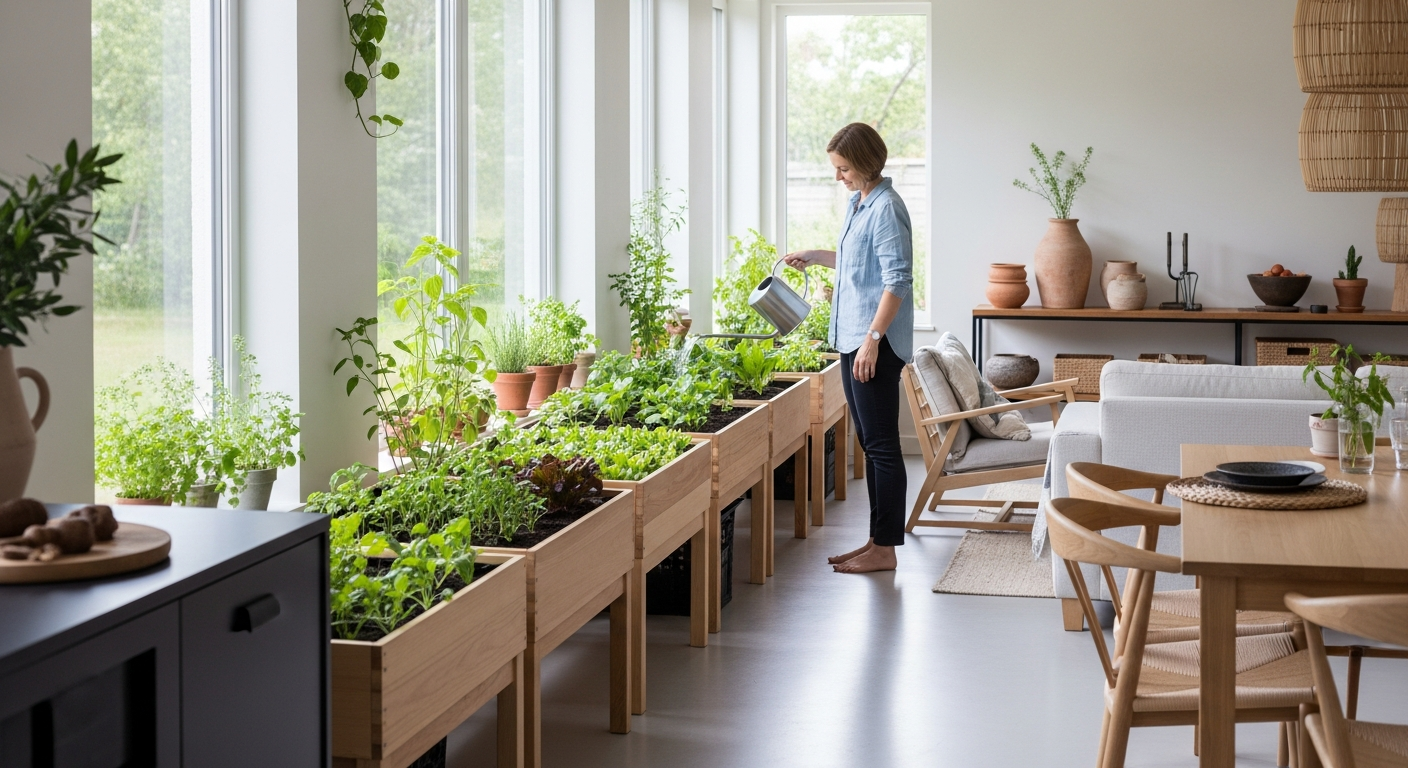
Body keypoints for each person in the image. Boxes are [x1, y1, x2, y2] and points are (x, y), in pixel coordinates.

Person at [783, 122, 913, 574]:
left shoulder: (887, 207)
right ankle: (877, 541)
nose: (838, 176)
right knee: (870, 443)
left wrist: (872, 341)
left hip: (873, 343)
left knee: (882, 446)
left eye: (844, 168)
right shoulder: (859, 203)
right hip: (852, 338)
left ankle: (885, 549)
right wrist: (816, 256)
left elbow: (897, 280)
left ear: (865, 162)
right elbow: (861, 263)